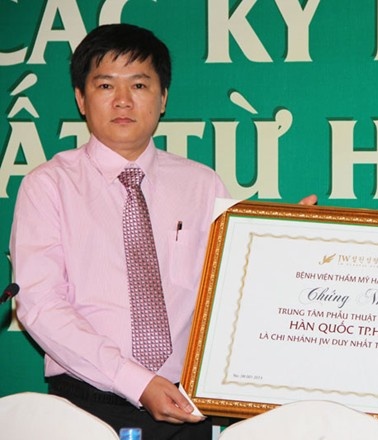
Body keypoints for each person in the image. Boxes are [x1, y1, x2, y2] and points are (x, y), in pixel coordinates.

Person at [10, 23, 228, 439]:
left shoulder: (203, 185)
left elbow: (231, 287)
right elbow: (40, 304)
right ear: (81, 98)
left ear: (163, 98)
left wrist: (282, 238)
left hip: (186, 409)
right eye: (106, 85)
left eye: (140, 85)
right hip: (84, 406)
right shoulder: (49, 185)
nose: (123, 100)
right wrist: (136, 382)